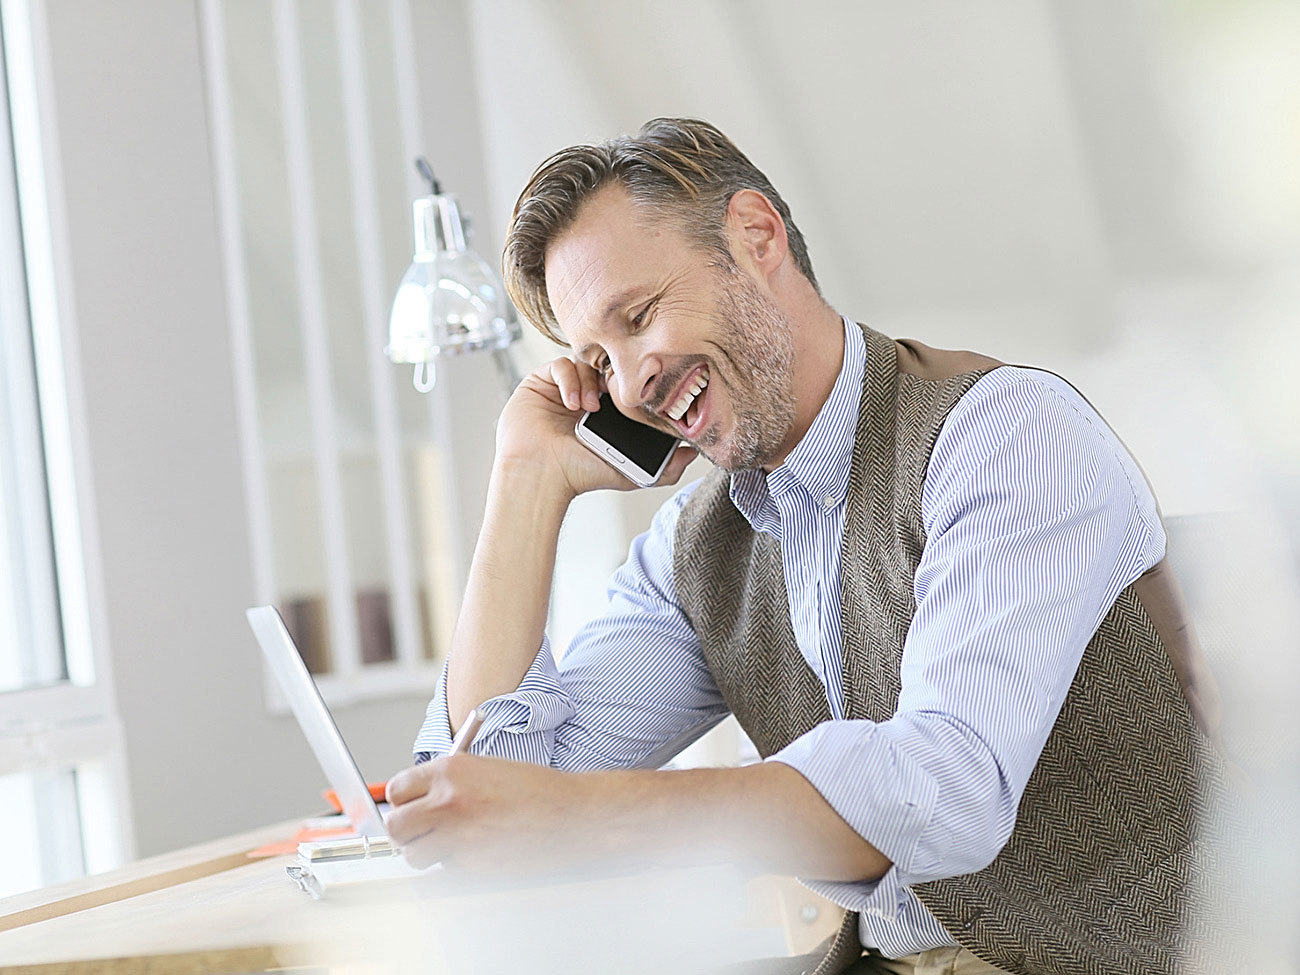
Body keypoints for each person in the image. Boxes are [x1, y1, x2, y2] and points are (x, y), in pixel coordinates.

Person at [384, 118, 1223, 975]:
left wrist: (584, 816)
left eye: (638, 317)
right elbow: (489, 804)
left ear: (756, 236)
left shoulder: (1004, 435)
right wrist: (525, 484)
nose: (630, 383)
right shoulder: (695, 550)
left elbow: (947, 785)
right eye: (598, 360)